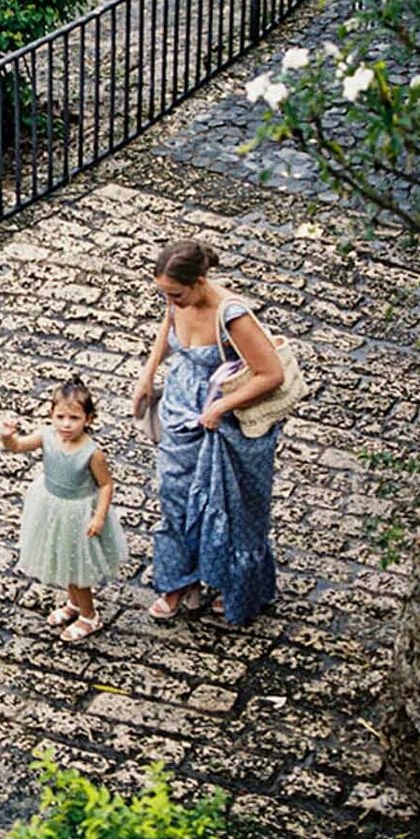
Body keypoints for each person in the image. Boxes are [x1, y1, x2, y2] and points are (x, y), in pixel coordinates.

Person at [131, 235, 288, 627]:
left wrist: (221, 406)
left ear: (199, 281)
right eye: (165, 294)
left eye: (177, 294)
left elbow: (271, 373)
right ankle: (179, 582)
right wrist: (148, 375)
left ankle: (234, 584)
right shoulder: (175, 302)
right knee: (175, 498)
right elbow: (166, 329)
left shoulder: (232, 315)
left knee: (231, 508)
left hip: (226, 424)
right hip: (180, 415)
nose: (171, 302)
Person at [0, 376, 129, 641]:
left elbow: (105, 485)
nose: (66, 424)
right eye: (60, 417)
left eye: (74, 418)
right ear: (51, 415)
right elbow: (18, 446)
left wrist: (99, 516)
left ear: (89, 419)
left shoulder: (92, 452)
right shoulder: (47, 436)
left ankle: (89, 616)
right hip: (51, 507)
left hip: (78, 513)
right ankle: (74, 603)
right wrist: (8, 438)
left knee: (76, 564)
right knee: (62, 558)